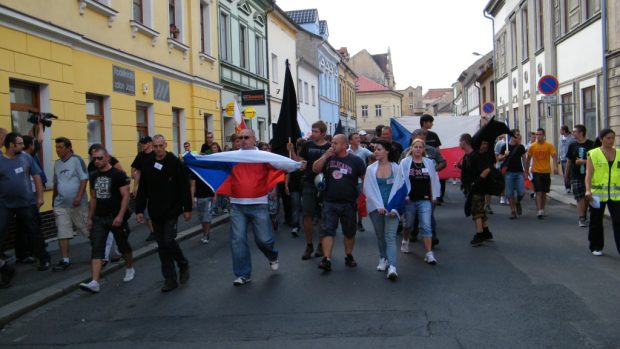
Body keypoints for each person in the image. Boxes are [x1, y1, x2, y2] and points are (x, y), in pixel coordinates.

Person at [226, 129, 295, 286]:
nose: (243, 140)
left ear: (254, 139)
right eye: (240, 138)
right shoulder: (232, 156)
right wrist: (194, 159)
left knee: (263, 239)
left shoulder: (263, 156)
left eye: (246, 137)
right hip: (237, 205)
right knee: (237, 240)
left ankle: (272, 256)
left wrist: (296, 164)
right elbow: (213, 161)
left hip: (258, 204)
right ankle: (243, 274)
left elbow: (282, 163)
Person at [135, 134, 192, 293]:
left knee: (168, 241)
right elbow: (143, 189)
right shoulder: (148, 164)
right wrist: (139, 209)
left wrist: (187, 209)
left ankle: (182, 263)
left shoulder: (174, 162)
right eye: (155, 146)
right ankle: (170, 279)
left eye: (161, 146)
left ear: (165, 145)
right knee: (161, 247)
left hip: (172, 210)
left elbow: (184, 187)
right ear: (152, 147)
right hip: (155, 211)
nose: (158, 149)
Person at [79, 147, 134, 293]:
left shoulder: (118, 175)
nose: (96, 161)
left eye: (99, 158)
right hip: (99, 218)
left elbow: (125, 196)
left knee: (123, 246)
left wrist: (120, 216)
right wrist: (90, 218)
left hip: (115, 216)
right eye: (94, 158)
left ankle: (129, 268)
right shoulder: (94, 176)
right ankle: (95, 281)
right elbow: (94, 198)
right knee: (97, 248)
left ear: (107, 157)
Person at [0, 132, 51, 287]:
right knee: (1, 231)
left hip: (26, 202)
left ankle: (43, 258)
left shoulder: (26, 157)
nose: (23, 146)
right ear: (10, 145)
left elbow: (36, 176)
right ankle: (6, 263)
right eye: (20, 143)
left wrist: (40, 197)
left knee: (34, 231)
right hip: (5, 203)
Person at [312, 134, 366, 272]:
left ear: (344, 145)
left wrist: (364, 196)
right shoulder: (328, 158)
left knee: (349, 232)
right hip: (330, 201)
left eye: (335, 143)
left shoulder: (356, 160)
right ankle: (326, 259)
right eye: (332, 143)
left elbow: (364, 178)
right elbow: (315, 169)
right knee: (327, 230)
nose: (332, 145)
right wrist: (325, 156)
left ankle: (348, 255)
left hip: (348, 202)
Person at [364, 139, 405, 280]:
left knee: (390, 236)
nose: (375, 152)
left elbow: (401, 189)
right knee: (380, 235)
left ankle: (392, 267)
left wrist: (394, 208)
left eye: (379, 149)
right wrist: (378, 205)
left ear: (387, 151)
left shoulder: (397, 168)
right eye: (375, 149)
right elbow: (367, 189)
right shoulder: (370, 169)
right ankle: (383, 258)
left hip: (393, 208)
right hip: (376, 208)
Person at [401, 129, 445, 250]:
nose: (418, 149)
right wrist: (402, 195)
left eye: (421, 147)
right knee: (409, 223)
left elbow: (439, 168)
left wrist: (435, 195)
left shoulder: (430, 158)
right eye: (416, 146)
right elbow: (400, 177)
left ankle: (429, 251)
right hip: (410, 197)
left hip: (426, 196)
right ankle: (408, 237)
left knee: (427, 222)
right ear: (412, 146)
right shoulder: (405, 158)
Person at [293, 121, 331, 260]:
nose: (313, 134)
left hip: (324, 185)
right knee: (307, 215)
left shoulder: (329, 147)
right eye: (312, 131)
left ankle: (321, 244)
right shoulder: (307, 145)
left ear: (323, 133)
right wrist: (292, 151)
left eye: (316, 131)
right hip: (309, 183)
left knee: (322, 216)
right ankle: (309, 245)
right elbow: (300, 165)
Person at [51, 137, 89, 272]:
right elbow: (57, 183)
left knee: (86, 229)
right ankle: (65, 260)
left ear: (68, 148)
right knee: (62, 232)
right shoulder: (57, 164)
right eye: (56, 147)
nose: (57, 150)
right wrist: (53, 200)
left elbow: (84, 179)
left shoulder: (76, 160)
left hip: (78, 204)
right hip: (61, 204)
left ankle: (100, 253)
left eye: (60, 147)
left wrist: (79, 196)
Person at [585, 128, 620, 256]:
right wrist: (588, 190)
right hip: (597, 194)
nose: (611, 140)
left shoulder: (619, 153)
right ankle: (596, 246)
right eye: (608, 138)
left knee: (618, 220)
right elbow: (588, 174)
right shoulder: (593, 154)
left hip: (616, 195)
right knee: (596, 220)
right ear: (601, 139)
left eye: (613, 138)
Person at [459, 133, 493, 246]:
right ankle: (486, 232)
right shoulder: (466, 156)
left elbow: (486, 170)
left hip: (478, 188)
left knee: (476, 212)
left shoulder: (476, 155)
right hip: (471, 188)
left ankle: (479, 235)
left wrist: (476, 182)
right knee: (479, 211)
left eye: (460, 141)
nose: (459, 144)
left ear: (464, 142)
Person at [525, 128, 558, 218]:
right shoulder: (532, 146)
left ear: (543, 135)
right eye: (537, 134)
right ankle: (539, 210)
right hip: (536, 171)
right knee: (538, 191)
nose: (538, 136)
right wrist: (526, 170)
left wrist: (555, 166)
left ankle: (542, 209)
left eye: (540, 134)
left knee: (544, 192)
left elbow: (554, 156)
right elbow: (528, 159)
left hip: (546, 171)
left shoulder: (549, 146)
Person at [566, 125, 594, 228]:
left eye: (575, 132)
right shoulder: (572, 145)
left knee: (586, 197)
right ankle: (581, 218)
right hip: (576, 175)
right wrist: (566, 175)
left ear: (581, 133)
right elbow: (569, 160)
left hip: (589, 175)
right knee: (579, 197)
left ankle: (584, 214)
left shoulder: (591, 144)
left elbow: (596, 160)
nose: (573, 133)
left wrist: (583, 161)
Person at [498, 130, 527, 219]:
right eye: (517, 135)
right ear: (512, 136)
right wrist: (504, 155)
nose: (518, 137)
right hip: (508, 172)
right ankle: (513, 211)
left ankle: (518, 202)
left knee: (522, 192)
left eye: (519, 135)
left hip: (519, 172)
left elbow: (524, 158)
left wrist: (526, 171)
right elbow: (498, 158)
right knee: (510, 193)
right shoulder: (505, 146)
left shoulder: (520, 147)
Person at [131, 136, 155, 242]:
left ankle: (159, 230)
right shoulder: (140, 155)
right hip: (144, 188)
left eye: (144, 143)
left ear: (150, 143)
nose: (143, 145)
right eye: (141, 143)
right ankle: (153, 232)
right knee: (146, 212)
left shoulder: (156, 154)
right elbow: (135, 168)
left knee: (156, 211)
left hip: (156, 188)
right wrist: (135, 187)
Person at [348, 132, 373, 232]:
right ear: (350, 140)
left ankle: (360, 222)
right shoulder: (347, 151)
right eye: (356, 138)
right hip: (349, 180)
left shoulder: (363, 150)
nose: (358, 139)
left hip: (360, 180)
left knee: (360, 202)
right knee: (351, 202)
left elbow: (373, 155)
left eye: (359, 137)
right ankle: (352, 222)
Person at [286, 138, 306, 238]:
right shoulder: (292, 155)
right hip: (294, 185)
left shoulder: (307, 155)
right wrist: (286, 185)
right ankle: (295, 226)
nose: (299, 150)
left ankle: (307, 224)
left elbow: (300, 164)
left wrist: (292, 151)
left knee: (306, 207)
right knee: (295, 206)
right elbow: (289, 171)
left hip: (305, 184)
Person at [190, 170, 215, 244]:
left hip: (209, 196)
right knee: (201, 217)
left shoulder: (209, 169)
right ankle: (205, 232)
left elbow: (214, 182)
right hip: (199, 197)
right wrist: (192, 198)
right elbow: (193, 185)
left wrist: (215, 194)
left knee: (206, 217)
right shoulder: (195, 171)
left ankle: (206, 234)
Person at [559, 125, 575, 194]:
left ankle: (573, 186)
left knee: (570, 173)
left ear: (564, 130)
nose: (560, 131)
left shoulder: (571, 138)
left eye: (561, 130)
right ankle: (567, 187)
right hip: (562, 158)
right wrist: (558, 157)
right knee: (565, 174)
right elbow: (560, 147)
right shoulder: (561, 137)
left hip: (569, 158)